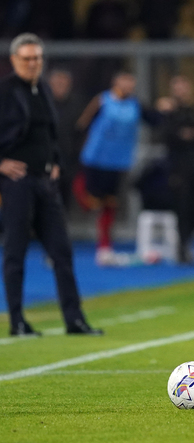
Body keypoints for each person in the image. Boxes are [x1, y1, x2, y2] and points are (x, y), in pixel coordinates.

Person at [0, 33, 102, 336]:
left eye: (37, 58)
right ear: (14, 60)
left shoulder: (41, 88)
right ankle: (17, 320)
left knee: (61, 251)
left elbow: (48, 134)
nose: (33, 63)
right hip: (17, 184)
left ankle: (74, 319)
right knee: (15, 252)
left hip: (45, 182)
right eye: (27, 58)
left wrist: (55, 161)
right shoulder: (5, 91)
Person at [75, 71, 160, 266]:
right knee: (90, 201)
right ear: (116, 83)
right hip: (94, 159)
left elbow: (154, 121)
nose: (128, 86)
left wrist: (163, 109)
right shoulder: (103, 101)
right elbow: (83, 123)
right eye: (125, 82)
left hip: (118, 163)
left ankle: (104, 246)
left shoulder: (136, 105)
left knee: (109, 205)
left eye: (131, 83)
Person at [157, 75, 194, 263]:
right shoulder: (169, 113)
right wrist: (191, 134)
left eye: (184, 87)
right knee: (182, 206)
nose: (181, 91)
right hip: (177, 166)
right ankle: (182, 247)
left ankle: (189, 242)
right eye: (177, 88)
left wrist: (192, 134)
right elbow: (171, 136)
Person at [48, 69, 84, 210]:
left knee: (64, 202)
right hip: (44, 162)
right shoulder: (41, 103)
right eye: (57, 82)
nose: (60, 85)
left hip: (69, 162)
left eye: (64, 82)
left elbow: (82, 131)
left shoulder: (77, 105)